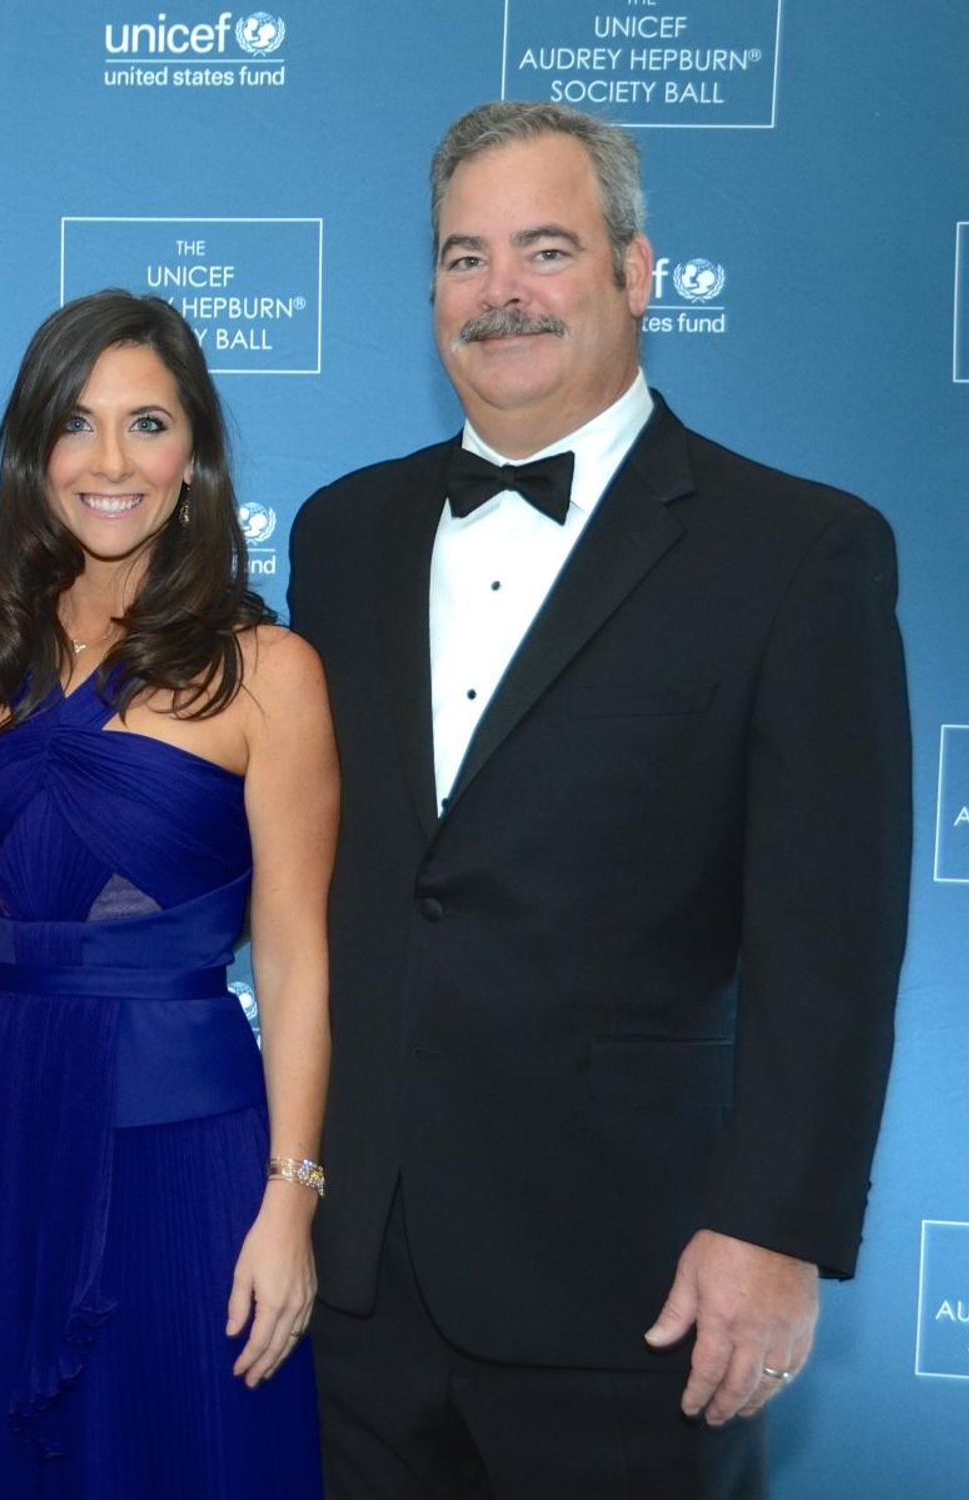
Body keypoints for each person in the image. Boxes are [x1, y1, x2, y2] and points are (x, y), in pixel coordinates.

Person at [287, 100, 910, 1499]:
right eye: (463, 257)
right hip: (359, 1279)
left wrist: (774, 1231)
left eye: (545, 249)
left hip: (636, 1285)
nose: (500, 291)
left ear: (638, 273)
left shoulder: (798, 551)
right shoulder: (342, 533)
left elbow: (833, 941)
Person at [0, 289, 335, 1497]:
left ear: (194, 458)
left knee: (189, 1453)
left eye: (147, 424)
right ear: (32, 455)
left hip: (189, 1147)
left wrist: (290, 1201)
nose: (110, 462)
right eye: (76, 424)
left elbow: (294, 960)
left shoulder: (269, 670)